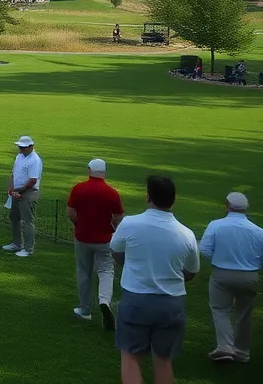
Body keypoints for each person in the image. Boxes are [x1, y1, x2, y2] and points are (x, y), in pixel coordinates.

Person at [110, 175, 200, 384]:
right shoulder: (186, 234)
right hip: (171, 302)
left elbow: (116, 252)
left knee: (130, 358)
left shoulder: (130, 224)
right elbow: (191, 272)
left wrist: (132, 266)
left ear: (147, 197)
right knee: (163, 361)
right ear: (173, 200)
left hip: (136, 299)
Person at [199, 191, 263, 363]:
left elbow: (204, 250)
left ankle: (225, 346)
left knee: (220, 309)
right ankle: (242, 352)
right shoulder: (259, 232)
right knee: (245, 313)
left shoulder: (216, 225)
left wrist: (221, 258)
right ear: (246, 209)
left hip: (221, 274)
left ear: (227, 206)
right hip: (249, 276)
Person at [67, 158, 124, 328]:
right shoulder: (112, 193)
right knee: (106, 270)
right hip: (105, 239)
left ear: (89, 170)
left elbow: (70, 212)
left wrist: (79, 224)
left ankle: (85, 309)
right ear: (104, 173)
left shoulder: (78, 189)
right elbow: (118, 217)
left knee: (84, 271)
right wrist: (111, 226)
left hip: (83, 237)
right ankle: (104, 300)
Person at [3, 135, 42, 258]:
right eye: (20, 147)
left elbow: (32, 180)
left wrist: (18, 190)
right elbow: (14, 173)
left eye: (23, 147)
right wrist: (11, 188)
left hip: (28, 193)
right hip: (16, 191)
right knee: (14, 217)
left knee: (27, 221)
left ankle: (28, 249)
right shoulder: (19, 156)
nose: (21, 149)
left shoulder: (35, 160)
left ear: (31, 147)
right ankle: (16, 243)